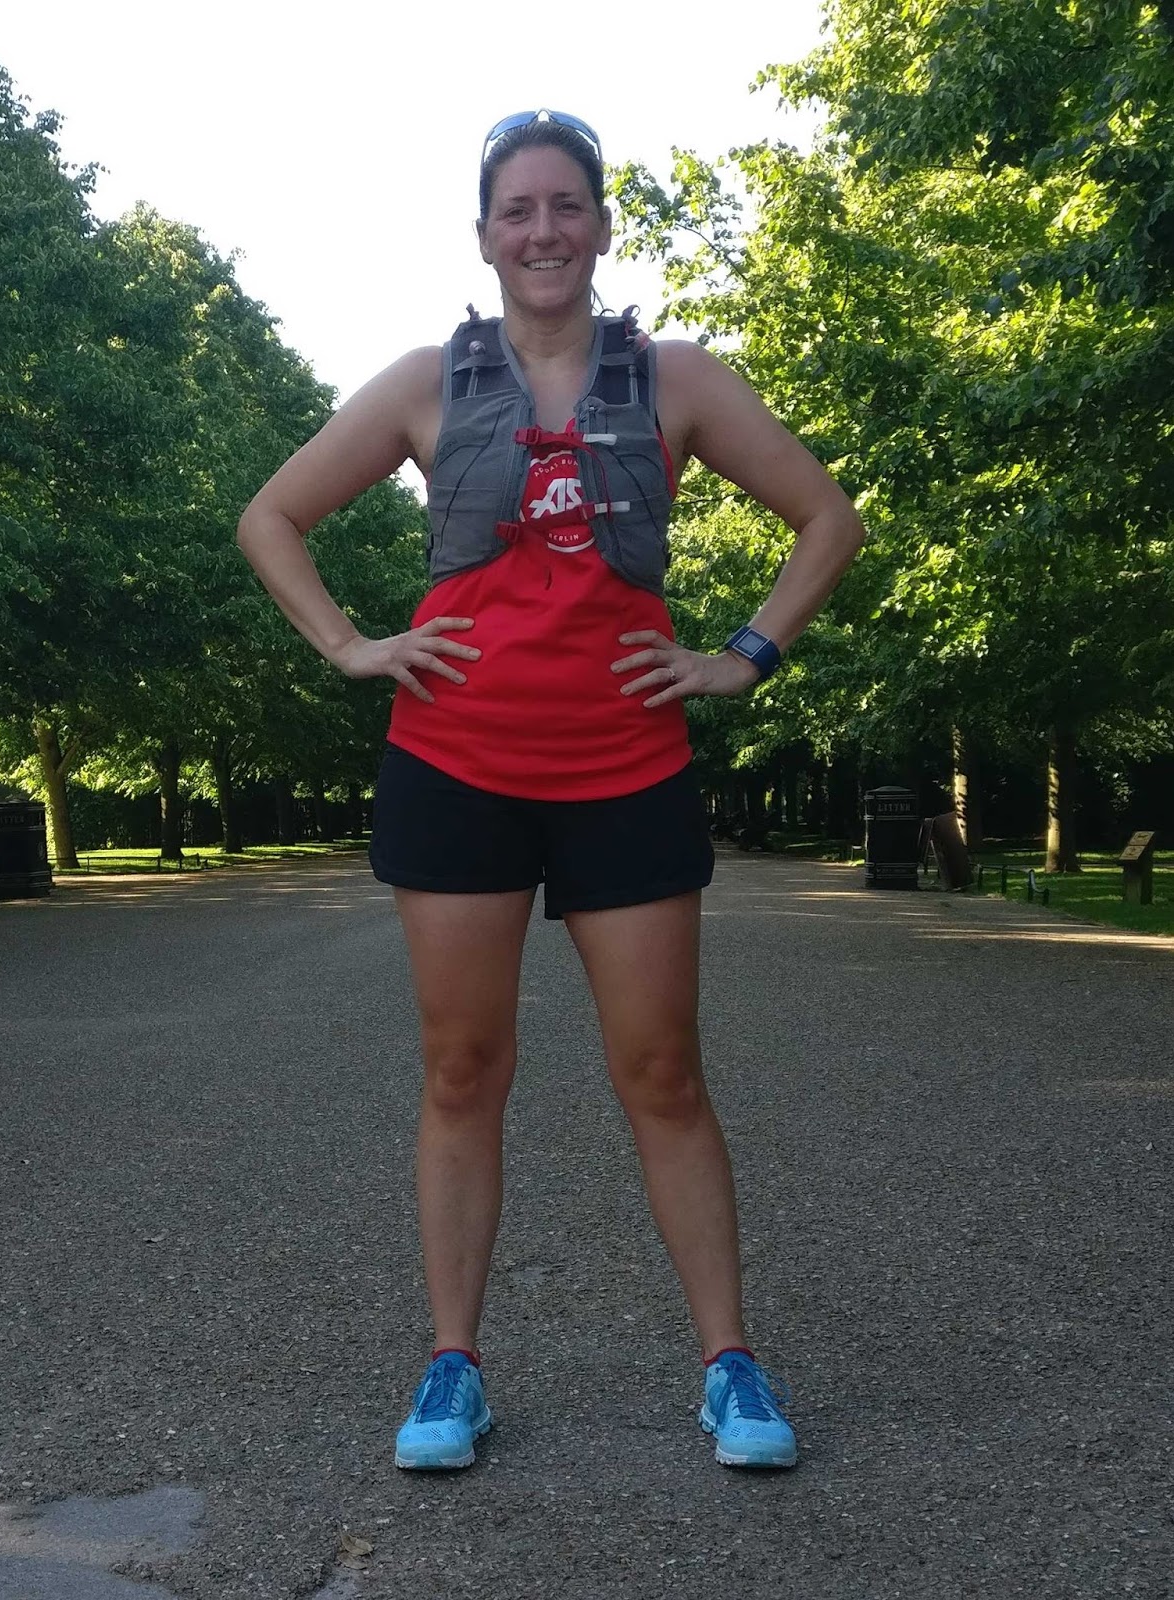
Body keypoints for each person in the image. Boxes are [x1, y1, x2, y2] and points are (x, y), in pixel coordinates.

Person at [237, 108, 864, 1472]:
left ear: (601, 226)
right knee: (463, 1070)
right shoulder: (423, 384)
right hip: (452, 768)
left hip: (626, 771)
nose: (542, 230)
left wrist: (744, 655)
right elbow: (268, 516)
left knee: (663, 1072)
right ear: (482, 236)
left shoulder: (677, 378)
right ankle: (452, 1368)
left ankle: (730, 1366)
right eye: (516, 209)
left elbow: (828, 518)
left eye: (565, 205)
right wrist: (350, 645)